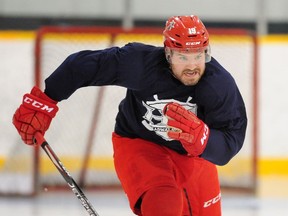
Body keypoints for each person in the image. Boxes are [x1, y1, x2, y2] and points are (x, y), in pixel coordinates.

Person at [13, 15, 247, 216]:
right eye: (183, 57)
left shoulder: (218, 85)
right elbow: (82, 67)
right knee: (164, 202)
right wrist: (44, 101)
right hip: (139, 144)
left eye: (198, 55)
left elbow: (231, 140)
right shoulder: (141, 64)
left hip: (192, 155)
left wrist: (204, 140)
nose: (192, 65)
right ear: (168, 54)